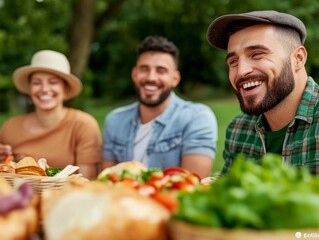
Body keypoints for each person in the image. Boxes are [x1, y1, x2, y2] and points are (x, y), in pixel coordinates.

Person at [206, 10, 319, 176]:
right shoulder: (238, 129)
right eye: (233, 61)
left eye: (257, 54)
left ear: (298, 58)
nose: (241, 71)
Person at [102, 36, 218, 179]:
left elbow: (192, 185)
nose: (151, 77)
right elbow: (107, 180)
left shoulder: (197, 118)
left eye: (161, 70)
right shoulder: (114, 121)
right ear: (134, 74)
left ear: (175, 79)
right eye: (144, 69)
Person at [0, 50, 102, 179]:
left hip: (67, 197)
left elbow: (87, 181)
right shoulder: (10, 127)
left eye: (53, 82)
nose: (44, 89)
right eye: (37, 83)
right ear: (30, 89)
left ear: (65, 89)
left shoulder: (83, 125)